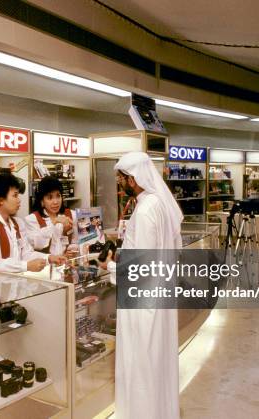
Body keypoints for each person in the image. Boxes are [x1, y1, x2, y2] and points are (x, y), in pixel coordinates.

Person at [99, 151, 183, 419]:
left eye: (121, 178)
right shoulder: (157, 204)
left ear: (132, 179)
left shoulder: (146, 210)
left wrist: (110, 266)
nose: (119, 183)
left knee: (142, 361)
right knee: (156, 360)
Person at [0, 173, 65, 273]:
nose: (19, 200)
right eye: (15, 195)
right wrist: (26, 266)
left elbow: (26, 253)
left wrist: (49, 258)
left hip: (16, 283)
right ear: (0, 200)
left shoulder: (18, 223)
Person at [24, 176, 78, 256]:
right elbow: (36, 244)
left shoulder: (72, 214)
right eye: (50, 198)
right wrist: (54, 221)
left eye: (58, 196)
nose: (55, 202)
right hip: (45, 266)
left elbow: (77, 241)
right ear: (42, 201)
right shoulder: (32, 219)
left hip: (67, 265)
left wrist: (72, 249)